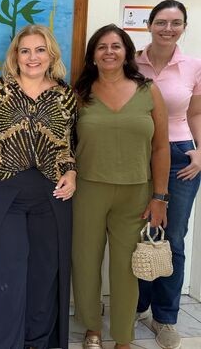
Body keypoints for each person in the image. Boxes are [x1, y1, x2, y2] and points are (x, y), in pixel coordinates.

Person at [0, 24, 77, 349]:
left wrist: (72, 173)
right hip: (2, 191)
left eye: (40, 50)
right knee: (6, 272)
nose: (32, 57)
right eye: (25, 51)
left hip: (52, 193)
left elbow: (70, 145)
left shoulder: (66, 96)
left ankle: (37, 342)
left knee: (44, 273)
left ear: (51, 55)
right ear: (15, 56)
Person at [72, 24, 169, 349]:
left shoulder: (148, 91)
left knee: (127, 268)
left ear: (127, 52)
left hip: (135, 193)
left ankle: (124, 337)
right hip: (88, 191)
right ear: (93, 56)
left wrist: (159, 197)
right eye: (101, 47)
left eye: (116, 46)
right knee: (85, 263)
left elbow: (161, 147)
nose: (109, 52)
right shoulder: (79, 93)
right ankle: (92, 328)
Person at [135, 0, 201, 349]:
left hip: (179, 158)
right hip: (137, 155)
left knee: (172, 238)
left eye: (176, 23)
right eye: (161, 22)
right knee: (138, 234)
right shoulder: (132, 63)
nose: (168, 29)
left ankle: (165, 318)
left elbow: (196, 113)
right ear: (149, 24)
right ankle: (138, 306)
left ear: (184, 27)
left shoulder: (194, 66)